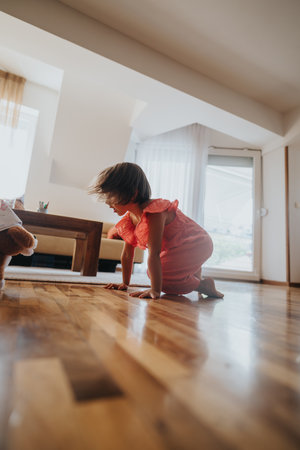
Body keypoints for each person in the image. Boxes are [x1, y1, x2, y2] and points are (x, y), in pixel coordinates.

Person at [89, 162, 223, 299]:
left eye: (111, 197)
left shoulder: (155, 212)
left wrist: (155, 290)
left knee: (159, 277)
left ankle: (203, 286)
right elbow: (128, 254)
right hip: (180, 248)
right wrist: (125, 283)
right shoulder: (130, 219)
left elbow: (155, 253)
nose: (107, 202)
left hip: (197, 244)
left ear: (133, 194)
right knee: (168, 284)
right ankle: (194, 277)